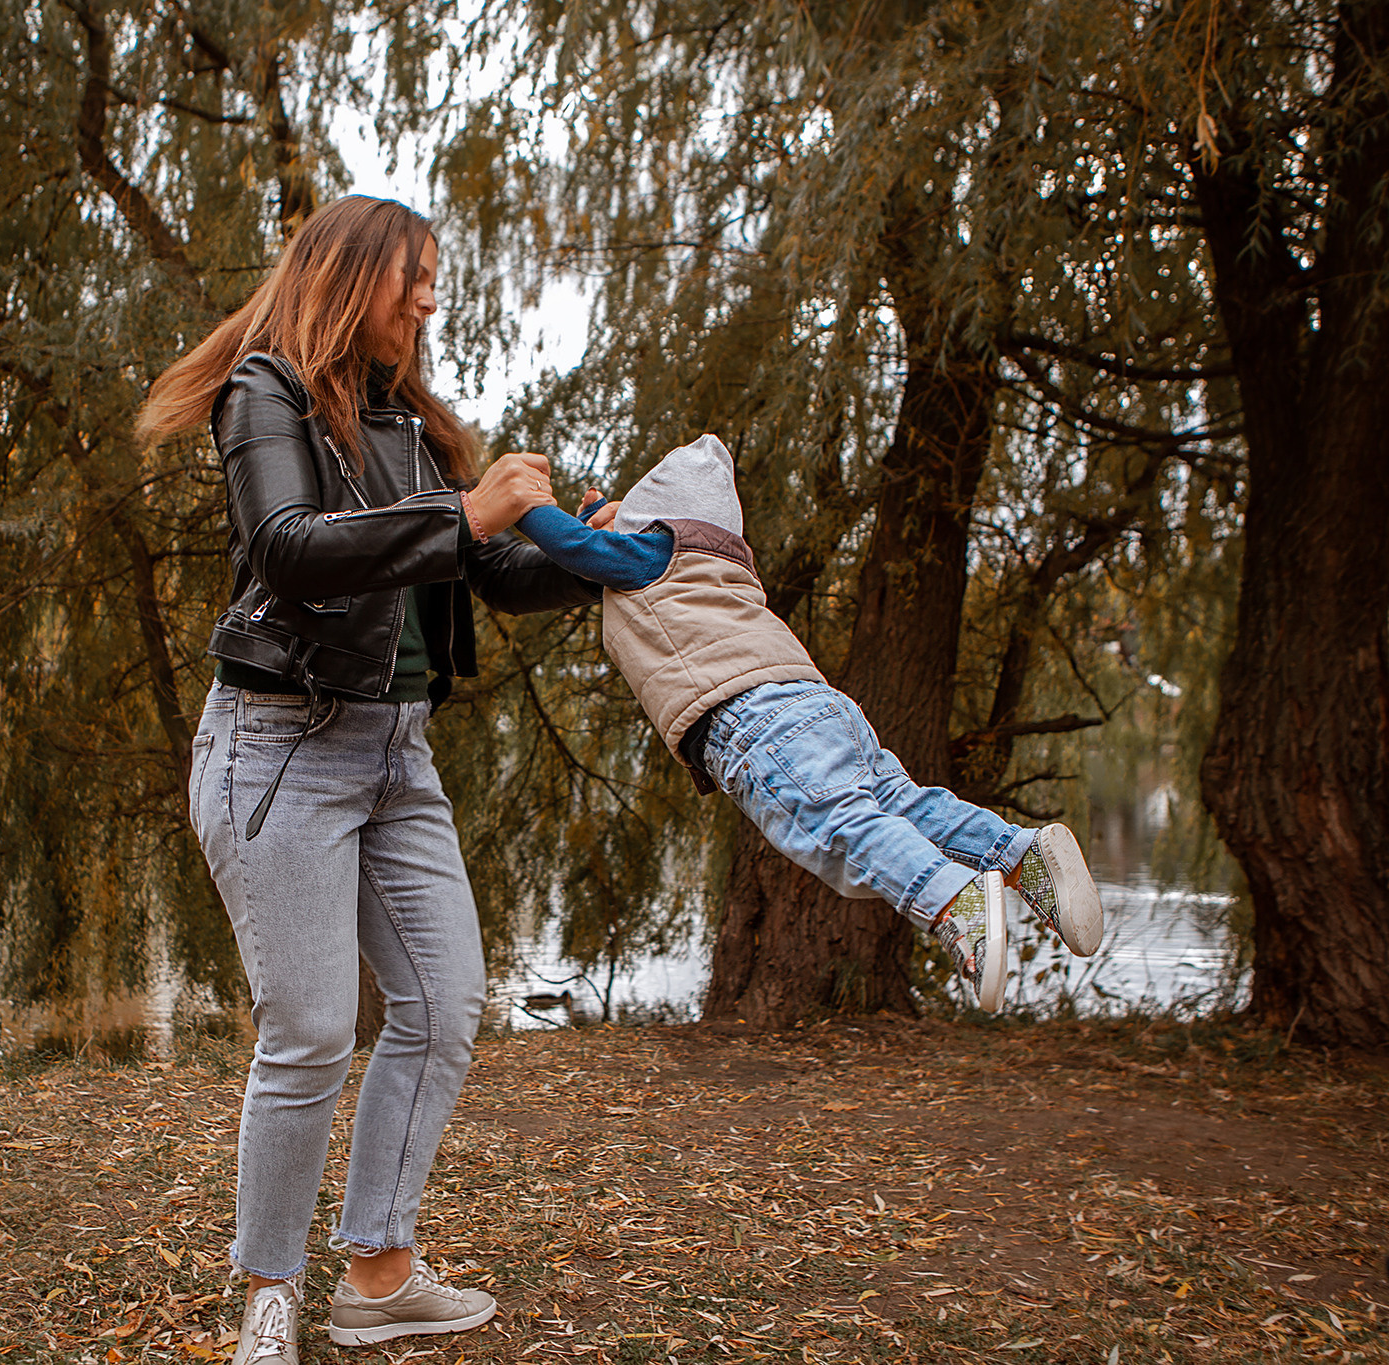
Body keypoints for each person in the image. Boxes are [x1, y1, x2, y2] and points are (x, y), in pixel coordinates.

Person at [135, 195, 600, 1362]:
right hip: (279, 742)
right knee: (308, 1030)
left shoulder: (416, 426)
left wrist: (599, 554)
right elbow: (287, 550)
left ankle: (380, 1276)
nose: (430, 300)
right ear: (355, 276)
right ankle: (268, 1294)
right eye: (415, 278)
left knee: (442, 1010)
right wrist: (462, 507)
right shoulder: (266, 393)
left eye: (436, 279)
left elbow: (487, 574)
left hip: (396, 752)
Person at [514, 433, 1106, 1005]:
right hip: (818, 706)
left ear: (654, 528)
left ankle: (955, 902)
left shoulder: (648, 557)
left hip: (750, 721)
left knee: (834, 824)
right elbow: (600, 543)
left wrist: (524, 504)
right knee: (903, 804)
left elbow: (575, 548)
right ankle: (1021, 855)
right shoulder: (719, 564)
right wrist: (596, 511)